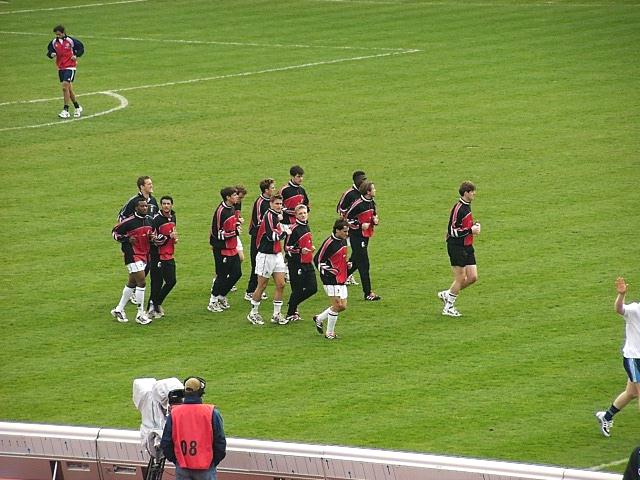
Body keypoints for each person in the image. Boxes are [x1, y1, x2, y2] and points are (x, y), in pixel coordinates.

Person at [595, 277, 640, 438]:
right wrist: (621, 295)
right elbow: (619, 309)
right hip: (634, 358)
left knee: (631, 393)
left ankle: (606, 416)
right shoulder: (635, 310)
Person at [161, 377, 226, 480]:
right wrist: (213, 462)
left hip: (182, 468)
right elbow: (220, 442)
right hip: (206, 468)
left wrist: (177, 461)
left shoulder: (174, 413)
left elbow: (166, 443)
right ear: (200, 392)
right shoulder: (211, 412)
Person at [438, 181, 481, 317]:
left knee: (472, 277)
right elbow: (452, 231)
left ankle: (448, 294)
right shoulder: (459, 208)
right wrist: (471, 230)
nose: (474, 193)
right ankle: (448, 307)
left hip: (467, 246)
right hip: (456, 247)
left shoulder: (467, 206)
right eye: (472, 191)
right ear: (465, 193)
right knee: (461, 277)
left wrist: (474, 226)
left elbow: (464, 226)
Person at [247, 194, 291, 325]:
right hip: (266, 255)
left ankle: (276, 314)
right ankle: (253, 313)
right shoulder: (269, 216)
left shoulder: (275, 216)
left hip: (276, 254)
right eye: (277, 203)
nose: (279, 206)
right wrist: (285, 232)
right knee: (262, 285)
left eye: (280, 204)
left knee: (281, 284)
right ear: (271, 204)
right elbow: (272, 236)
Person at [110, 198, 153, 325]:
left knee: (132, 283)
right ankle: (140, 314)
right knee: (142, 282)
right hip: (132, 255)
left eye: (146, 206)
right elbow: (114, 233)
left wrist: (152, 238)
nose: (144, 208)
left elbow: (152, 235)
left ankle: (119, 309)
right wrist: (126, 238)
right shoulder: (128, 222)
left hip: (145, 255)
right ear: (136, 208)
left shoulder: (150, 220)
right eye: (142, 206)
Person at [313, 219, 350, 340]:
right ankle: (329, 333)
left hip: (341, 277)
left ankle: (319, 318)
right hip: (331, 279)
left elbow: (339, 258)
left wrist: (346, 264)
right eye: (345, 231)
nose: (347, 233)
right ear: (337, 230)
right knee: (337, 305)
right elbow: (317, 260)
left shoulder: (343, 240)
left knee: (342, 306)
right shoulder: (329, 243)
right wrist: (330, 271)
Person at [208, 187, 243, 313]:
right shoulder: (221, 211)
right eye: (234, 195)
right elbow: (217, 233)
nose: (237, 197)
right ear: (228, 197)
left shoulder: (232, 208)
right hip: (221, 249)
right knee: (222, 275)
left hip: (232, 247)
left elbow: (232, 224)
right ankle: (213, 301)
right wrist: (234, 232)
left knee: (237, 273)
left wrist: (237, 224)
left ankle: (221, 296)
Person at [346, 181, 381, 301]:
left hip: (365, 236)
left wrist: (375, 220)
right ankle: (368, 293)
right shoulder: (358, 204)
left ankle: (338, 278)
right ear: (368, 192)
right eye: (373, 189)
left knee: (356, 261)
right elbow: (347, 219)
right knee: (364, 264)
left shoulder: (371, 202)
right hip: (357, 236)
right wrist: (360, 225)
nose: (375, 190)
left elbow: (373, 214)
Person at [244, 178, 276, 301]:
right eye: (272, 188)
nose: (274, 189)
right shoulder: (260, 202)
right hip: (258, 237)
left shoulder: (271, 201)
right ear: (266, 190)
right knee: (257, 263)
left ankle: (258, 288)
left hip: (266, 237)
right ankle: (250, 291)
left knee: (263, 264)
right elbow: (258, 222)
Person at [284, 204, 317, 322]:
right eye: (300, 213)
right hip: (296, 263)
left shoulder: (306, 225)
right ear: (296, 215)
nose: (303, 215)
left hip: (307, 262)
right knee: (297, 289)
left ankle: (292, 304)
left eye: (304, 213)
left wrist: (310, 247)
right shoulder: (293, 229)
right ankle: (291, 313)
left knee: (313, 288)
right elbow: (287, 247)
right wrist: (300, 251)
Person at [148, 196, 178, 319]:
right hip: (158, 255)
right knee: (157, 282)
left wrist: (174, 239)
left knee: (171, 281)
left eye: (168, 203)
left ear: (171, 205)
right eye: (164, 203)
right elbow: (154, 240)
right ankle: (152, 307)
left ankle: (156, 303)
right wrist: (168, 237)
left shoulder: (173, 217)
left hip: (169, 254)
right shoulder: (156, 219)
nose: (166, 206)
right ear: (161, 205)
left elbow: (173, 232)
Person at [46, 25, 84, 119]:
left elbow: (81, 48)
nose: (57, 36)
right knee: (68, 89)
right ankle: (77, 107)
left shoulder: (71, 41)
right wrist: (51, 54)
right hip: (61, 67)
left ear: (63, 33)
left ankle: (65, 110)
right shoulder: (54, 42)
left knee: (64, 87)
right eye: (56, 34)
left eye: (59, 34)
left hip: (70, 67)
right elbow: (49, 51)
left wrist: (76, 55)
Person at [337, 170, 367, 286]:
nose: (364, 181)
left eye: (365, 179)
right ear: (356, 180)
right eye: (362, 179)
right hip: (349, 228)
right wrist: (347, 223)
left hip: (360, 229)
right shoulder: (349, 194)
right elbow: (341, 209)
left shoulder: (364, 192)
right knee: (352, 251)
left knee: (357, 252)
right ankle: (344, 274)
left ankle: (347, 273)